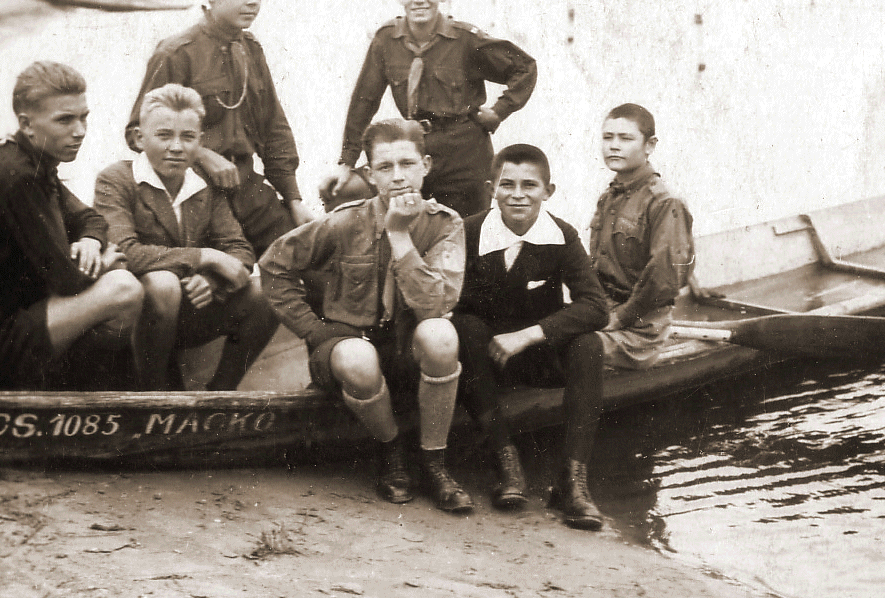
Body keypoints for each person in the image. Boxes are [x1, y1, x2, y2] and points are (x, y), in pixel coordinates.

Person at [260, 119, 473, 513]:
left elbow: (434, 306)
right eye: (385, 167)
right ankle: (392, 452)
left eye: (407, 164)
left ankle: (434, 461)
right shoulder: (345, 220)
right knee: (357, 358)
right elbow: (274, 264)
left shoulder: (445, 224)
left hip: (405, 353)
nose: (398, 177)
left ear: (426, 166)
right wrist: (314, 331)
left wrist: (400, 235)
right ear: (370, 175)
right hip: (349, 352)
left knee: (441, 335)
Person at [0, 62, 146, 391]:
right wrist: (104, 262)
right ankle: (77, 393)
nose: (80, 131)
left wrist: (90, 241)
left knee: (105, 280)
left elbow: (89, 218)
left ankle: (70, 386)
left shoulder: (23, 159)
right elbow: (67, 281)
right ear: (26, 124)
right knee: (123, 288)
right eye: (65, 120)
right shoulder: (17, 177)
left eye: (84, 117)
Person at [450, 143, 609, 530]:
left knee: (589, 344)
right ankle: (507, 463)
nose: (518, 195)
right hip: (483, 364)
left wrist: (529, 335)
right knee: (465, 326)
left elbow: (596, 305)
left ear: (547, 191)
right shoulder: (468, 232)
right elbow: (448, 298)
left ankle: (573, 481)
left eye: (529, 185)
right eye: (507, 185)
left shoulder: (561, 234)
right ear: (491, 189)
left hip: (537, 357)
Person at [126, 0, 316, 260]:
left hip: (247, 189)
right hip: (195, 193)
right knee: (222, 274)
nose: (253, 1)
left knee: (306, 257)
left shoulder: (250, 49)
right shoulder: (176, 53)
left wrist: (294, 199)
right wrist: (200, 153)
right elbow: (137, 132)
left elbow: (275, 130)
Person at [322, 0, 537, 218]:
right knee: (344, 192)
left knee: (468, 229)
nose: (419, 0)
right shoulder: (386, 41)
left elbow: (524, 68)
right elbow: (364, 103)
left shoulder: (465, 40)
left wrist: (498, 111)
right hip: (413, 148)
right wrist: (346, 162)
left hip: (464, 154)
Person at [95, 84, 279, 391]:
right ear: (140, 138)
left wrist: (212, 280)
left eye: (188, 137)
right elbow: (125, 252)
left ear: (200, 141)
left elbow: (239, 249)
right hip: (136, 322)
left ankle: (220, 394)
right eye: (164, 135)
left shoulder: (203, 183)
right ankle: (153, 396)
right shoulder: (116, 180)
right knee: (163, 283)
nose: (177, 147)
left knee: (268, 292)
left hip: (187, 313)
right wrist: (203, 257)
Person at [590, 104, 699, 371]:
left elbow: (663, 281)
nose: (614, 146)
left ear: (650, 145)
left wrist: (619, 318)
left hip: (641, 330)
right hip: (604, 312)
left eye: (625, 138)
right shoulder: (609, 197)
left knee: (569, 348)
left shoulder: (664, 202)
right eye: (607, 137)